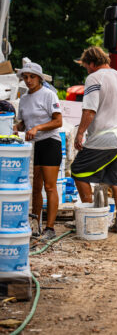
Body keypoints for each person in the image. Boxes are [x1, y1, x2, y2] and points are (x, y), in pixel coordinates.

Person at [71, 47, 117, 234]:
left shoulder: (94, 78)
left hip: (103, 138)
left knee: (79, 171)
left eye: (86, 66)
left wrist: (80, 133)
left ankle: (88, 215)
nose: (87, 70)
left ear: (92, 63)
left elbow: (89, 110)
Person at [14, 62, 63, 240]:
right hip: (33, 146)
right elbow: (24, 123)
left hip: (50, 142)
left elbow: (58, 121)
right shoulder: (24, 99)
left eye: (32, 77)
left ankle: (50, 228)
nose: (28, 80)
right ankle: (36, 225)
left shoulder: (49, 95)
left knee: (50, 187)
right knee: (35, 187)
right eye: (25, 77)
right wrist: (14, 127)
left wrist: (38, 128)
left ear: (39, 78)